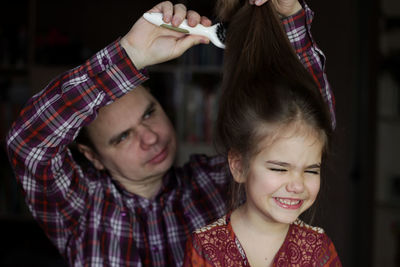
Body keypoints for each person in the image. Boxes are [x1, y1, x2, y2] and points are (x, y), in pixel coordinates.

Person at [6, 0, 335, 266]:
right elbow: (28, 142)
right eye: (123, 137)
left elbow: (303, 131)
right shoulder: (80, 207)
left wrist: (287, 13)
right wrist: (130, 55)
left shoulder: (220, 181)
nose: (149, 137)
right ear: (94, 157)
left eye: (149, 114)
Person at [183, 1, 341, 266]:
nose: (297, 184)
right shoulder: (205, 249)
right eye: (279, 168)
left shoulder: (319, 250)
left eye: (311, 170)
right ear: (238, 165)